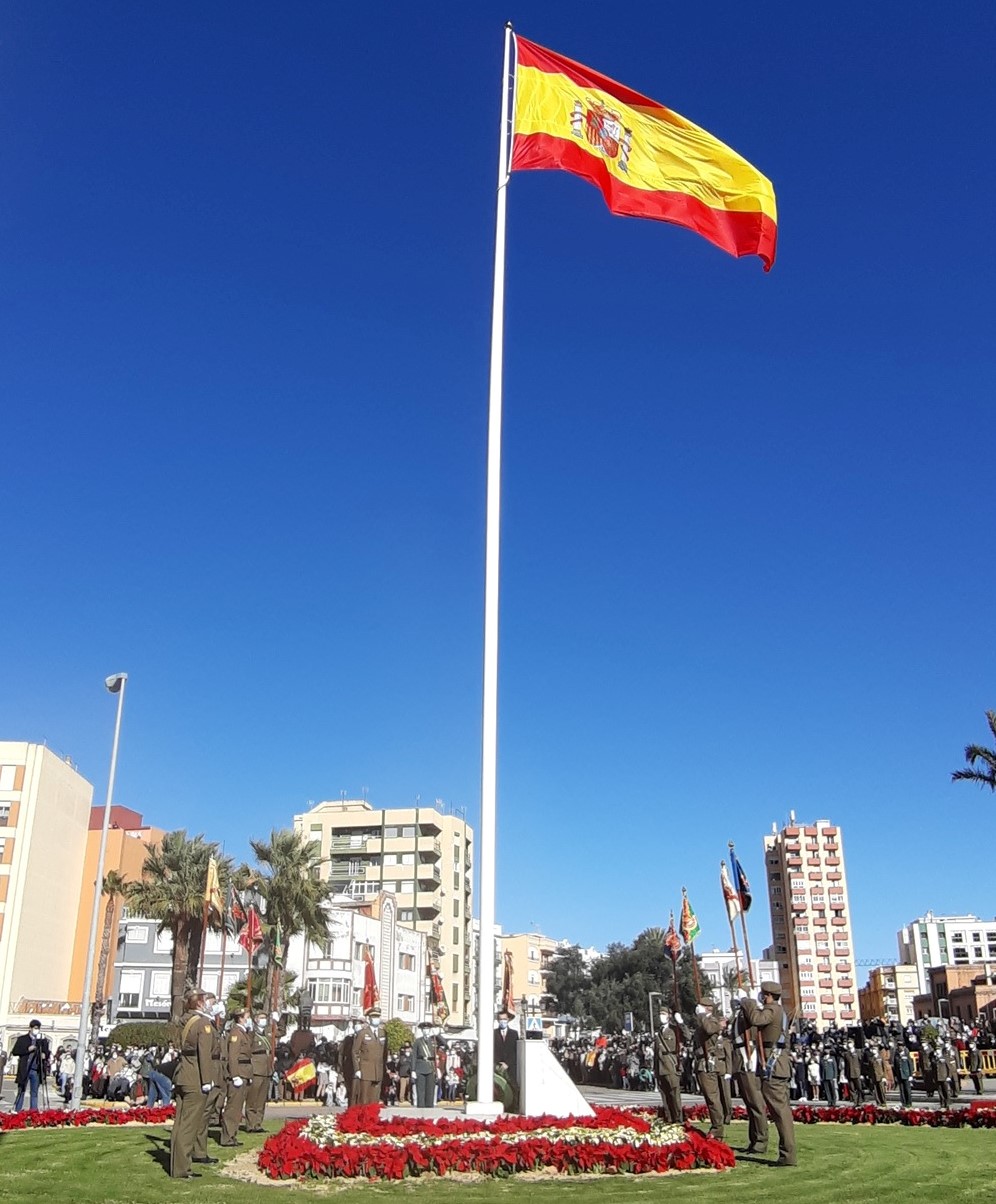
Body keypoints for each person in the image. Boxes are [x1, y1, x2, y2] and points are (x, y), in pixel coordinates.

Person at [738, 982, 797, 1167]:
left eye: (763, 994)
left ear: (768, 995)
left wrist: (747, 1000)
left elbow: (756, 1019)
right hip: (779, 1063)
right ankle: (787, 1154)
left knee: (780, 1112)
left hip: (774, 1064)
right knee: (781, 1111)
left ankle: (787, 1155)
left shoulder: (772, 1010)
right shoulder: (779, 1011)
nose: (761, 997)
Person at [170, 991, 216, 1180]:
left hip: (183, 1074)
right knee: (189, 1126)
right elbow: (204, 1054)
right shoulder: (202, 1023)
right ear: (199, 1003)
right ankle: (182, 1169)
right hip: (196, 1077)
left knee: (180, 1124)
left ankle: (176, 1165)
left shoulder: (184, 1020)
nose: (209, 1004)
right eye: (206, 1001)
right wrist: (207, 1080)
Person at [730, 1000, 768, 1154]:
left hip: (748, 1060)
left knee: (756, 1104)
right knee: (750, 1104)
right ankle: (754, 1140)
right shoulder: (739, 1016)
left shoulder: (749, 1016)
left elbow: (751, 1029)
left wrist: (748, 1002)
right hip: (741, 1061)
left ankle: (761, 1141)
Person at [692, 1002, 724, 1140]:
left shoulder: (713, 1021)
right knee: (708, 1097)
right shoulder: (703, 1022)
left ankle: (717, 1129)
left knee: (713, 1098)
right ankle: (715, 1126)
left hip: (709, 1062)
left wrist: (702, 1015)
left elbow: (709, 1030)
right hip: (700, 1062)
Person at [220, 1011, 253, 1146]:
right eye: (247, 1017)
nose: (249, 1020)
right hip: (238, 1072)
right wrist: (235, 1075)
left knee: (237, 1107)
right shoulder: (236, 1033)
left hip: (244, 1072)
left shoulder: (243, 1033)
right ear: (240, 1019)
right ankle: (227, 1137)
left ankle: (232, 1135)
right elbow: (233, 1056)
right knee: (233, 1108)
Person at [12, 1019, 50, 1112]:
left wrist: (44, 1054)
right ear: (30, 1028)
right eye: (35, 1028)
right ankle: (17, 1110)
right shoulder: (22, 1039)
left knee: (34, 1092)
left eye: (38, 1028)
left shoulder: (42, 1040)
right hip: (25, 1069)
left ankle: (33, 1112)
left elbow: (47, 1052)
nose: (37, 1030)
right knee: (21, 1091)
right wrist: (27, 1049)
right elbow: (15, 1051)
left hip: (36, 1069)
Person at [351, 1006, 386, 1105]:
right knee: (364, 1099)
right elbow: (355, 1051)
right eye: (374, 1017)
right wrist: (357, 1069)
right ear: (369, 1019)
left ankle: (373, 1115)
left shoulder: (383, 1033)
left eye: (378, 1017)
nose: (376, 1019)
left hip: (378, 1070)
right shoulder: (363, 1033)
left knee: (375, 1099)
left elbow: (385, 1052)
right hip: (365, 1070)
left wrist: (383, 1068)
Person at [652, 1008, 682, 1123]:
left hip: (671, 1065)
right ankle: (669, 1118)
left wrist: (681, 1023)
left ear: (669, 1015)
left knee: (674, 1093)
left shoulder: (674, 1029)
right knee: (664, 1094)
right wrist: (655, 1068)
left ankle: (678, 1118)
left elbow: (687, 1036)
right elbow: (656, 1052)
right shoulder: (660, 1031)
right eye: (660, 1014)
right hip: (660, 1066)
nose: (661, 1016)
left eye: (663, 1014)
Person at [244, 1017, 271, 1130]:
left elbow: (280, 1032)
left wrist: (281, 1019)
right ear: (256, 1019)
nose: (264, 1020)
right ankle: (251, 1124)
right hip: (256, 1069)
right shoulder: (252, 1033)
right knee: (252, 1098)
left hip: (267, 1069)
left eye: (265, 1018)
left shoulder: (267, 1032)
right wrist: (250, 1030)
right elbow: (247, 1045)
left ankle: (258, 1124)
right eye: (261, 1018)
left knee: (261, 1100)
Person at [493, 1009, 519, 1097]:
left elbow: (515, 1051)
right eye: (500, 1019)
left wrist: (507, 1063)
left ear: (508, 1020)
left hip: (510, 1067)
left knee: (512, 1088)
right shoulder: (493, 1033)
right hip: (497, 1067)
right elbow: (492, 1050)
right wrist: (498, 1063)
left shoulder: (514, 1034)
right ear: (498, 1020)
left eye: (504, 1019)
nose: (502, 1021)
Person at [413, 1022, 437, 1108]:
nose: (425, 1031)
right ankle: (421, 1107)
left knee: (430, 1090)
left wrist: (437, 1034)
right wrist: (413, 1070)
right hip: (420, 1066)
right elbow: (414, 1056)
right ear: (422, 1031)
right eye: (424, 1029)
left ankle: (429, 1107)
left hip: (431, 1067)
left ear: (430, 1030)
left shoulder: (434, 1040)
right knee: (421, 1090)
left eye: (427, 1029)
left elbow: (445, 1044)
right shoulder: (418, 1041)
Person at [892, 1043, 914, 1108]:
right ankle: (903, 1103)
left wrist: (911, 1075)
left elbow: (910, 1064)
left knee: (907, 1090)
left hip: (906, 1074)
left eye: (901, 1046)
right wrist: (895, 1075)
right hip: (899, 1075)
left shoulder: (906, 1054)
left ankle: (909, 1103)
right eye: (899, 1046)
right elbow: (895, 1066)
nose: (900, 1048)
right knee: (902, 1090)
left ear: (903, 1047)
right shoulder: (896, 1055)